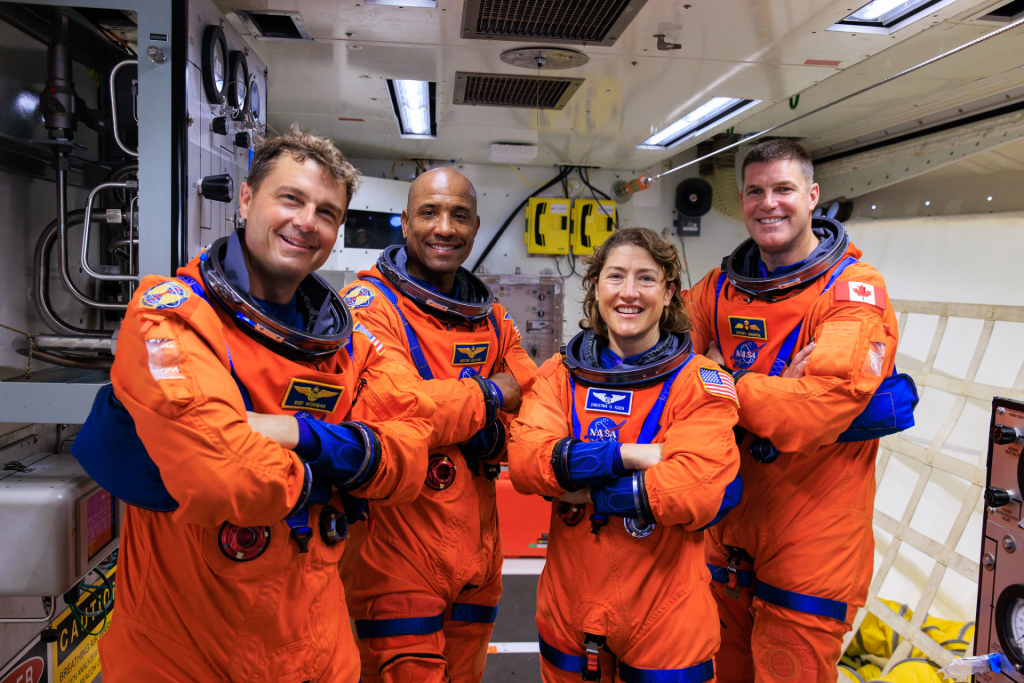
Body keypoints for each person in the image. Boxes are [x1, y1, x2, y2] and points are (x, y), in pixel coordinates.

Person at [74, 126, 435, 682]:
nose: (305, 222)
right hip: (187, 655)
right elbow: (228, 477)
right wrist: (344, 468)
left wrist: (296, 435)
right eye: (290, 198)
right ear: (246, 199)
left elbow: (409, 458)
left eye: (327, 212)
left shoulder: (352, 344)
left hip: (319, 648)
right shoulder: (170, 317)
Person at [684, 139, 904, 683]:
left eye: (783, 189)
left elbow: (819, 409)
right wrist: (775, 389)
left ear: (811, 196)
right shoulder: (716, 290)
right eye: (755, 192)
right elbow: (663, 379)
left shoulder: (853, 291)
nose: (769, 203)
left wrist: (722, 379)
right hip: (727, 528)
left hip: (813, 534)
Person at [507, 227, 742, 682]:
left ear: (669, 291)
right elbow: (525, 462)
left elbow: (698, 489)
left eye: (646, 279)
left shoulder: (702, 381)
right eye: (615, 277)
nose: (628, 293)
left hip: (666, 610)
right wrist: (636, 456)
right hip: (568, 606)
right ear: (596, 287)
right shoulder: (560, 374)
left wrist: (584, 489)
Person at [338, 167, 538, 682]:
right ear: (404, 223)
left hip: (477, 555)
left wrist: (470, 424)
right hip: (395, 552)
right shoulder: (369, 305)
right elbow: (392, 408)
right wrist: (492, 394)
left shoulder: (492, 318)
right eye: (429, 212)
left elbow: (536, 407)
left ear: (475, 228)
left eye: (459, 216)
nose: (444, 227)